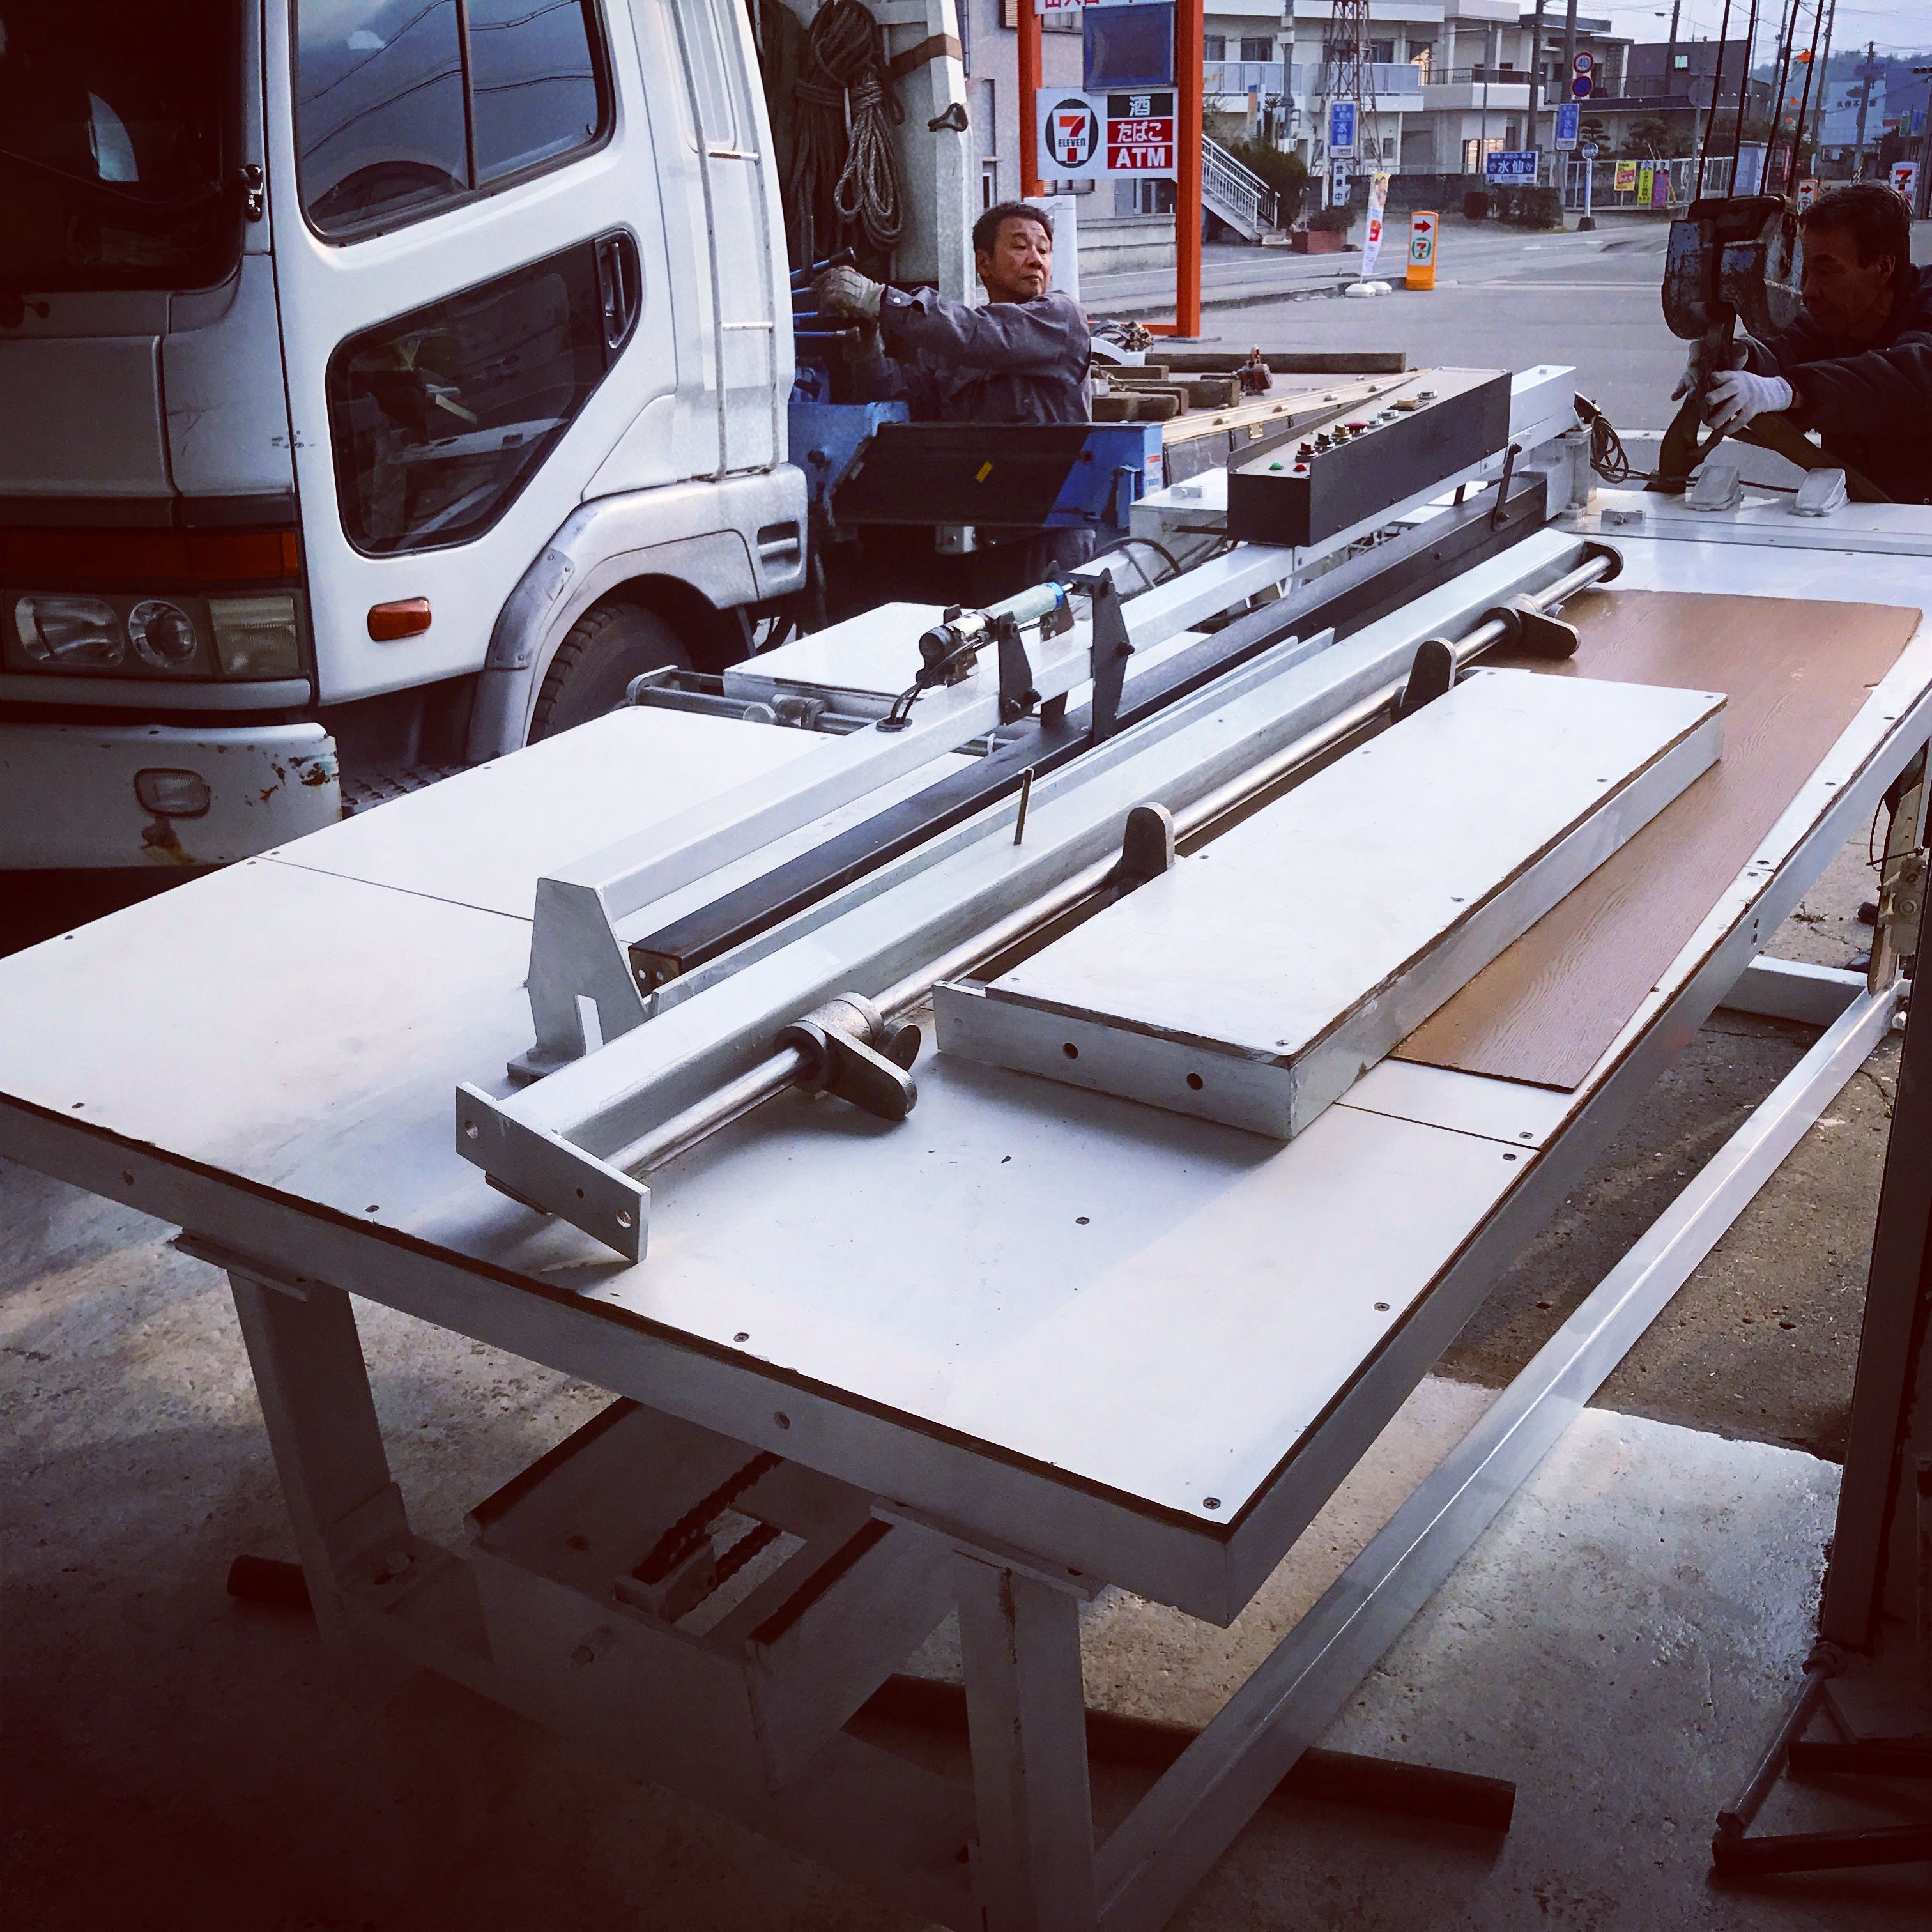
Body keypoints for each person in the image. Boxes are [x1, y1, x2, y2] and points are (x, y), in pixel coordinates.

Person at [812, 201, 1094, 600]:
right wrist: (867, 354)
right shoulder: (954, 347)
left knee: (1042, 635)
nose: (1036, 259)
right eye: (1020, 247)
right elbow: (901, 404)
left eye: (1044, 250)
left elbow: (985, 337)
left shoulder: (1060, 318)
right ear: (984, 262)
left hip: (1047, 535)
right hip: (981, 536)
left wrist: (881, 299)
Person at [1680, 181, 1931, 503]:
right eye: (1804, 271)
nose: (1809, 292)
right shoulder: (1835, 315)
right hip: (1859, 513)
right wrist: (1739, 358)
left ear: (1883, 267)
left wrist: (1789, 390)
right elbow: (1790, 342)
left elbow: (1910, 377)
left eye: (1826, 273)